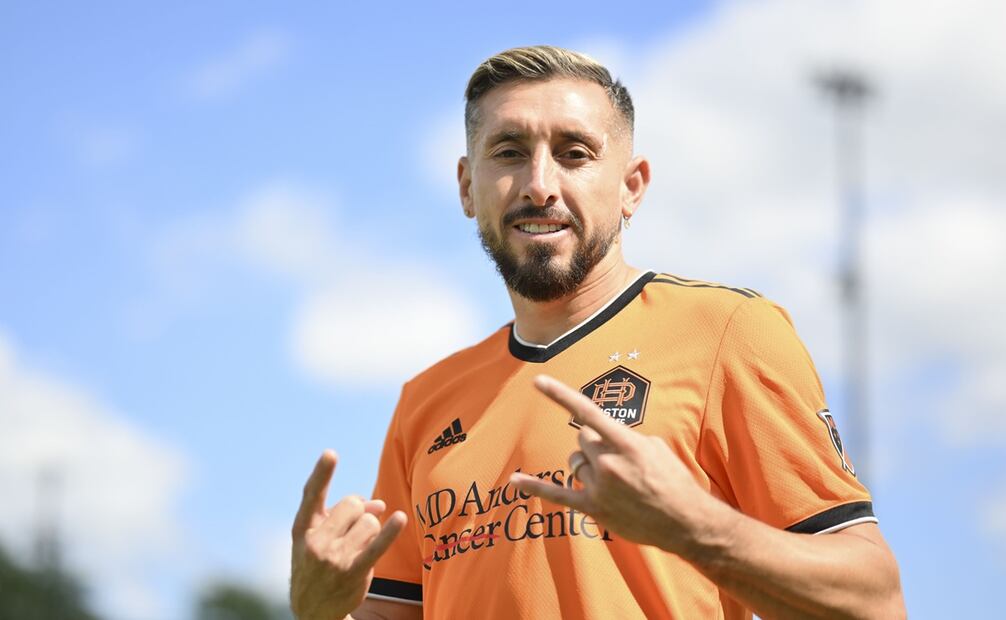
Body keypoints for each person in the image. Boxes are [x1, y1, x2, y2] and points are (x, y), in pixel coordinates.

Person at [289, 45, 905, 619]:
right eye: (508, 152)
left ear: (631, 186)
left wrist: (695, 529)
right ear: (467, 187)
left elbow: (875, 601)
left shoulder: (729, 332)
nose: (538, 184)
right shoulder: (424, 402)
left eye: (574, 153)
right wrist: (321, 611)